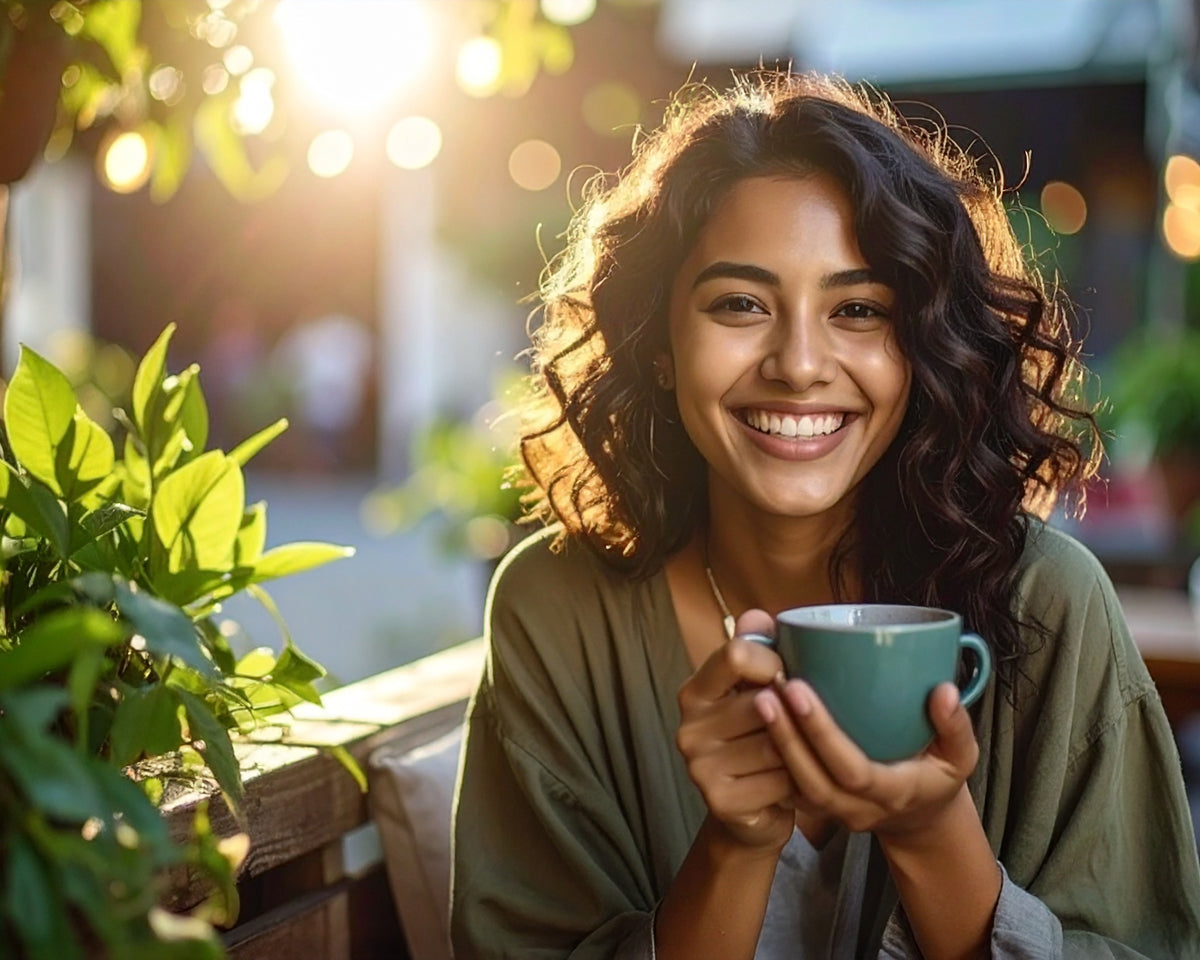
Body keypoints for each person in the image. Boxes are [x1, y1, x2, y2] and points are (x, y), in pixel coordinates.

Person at [449, 71, 1200, 959]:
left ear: (924, 346)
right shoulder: (556, 609)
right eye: (740, 304)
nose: (800, 365)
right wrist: (735, 846)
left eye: (858, 309)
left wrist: (931, 835)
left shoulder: (1050, 603)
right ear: (657, 345)